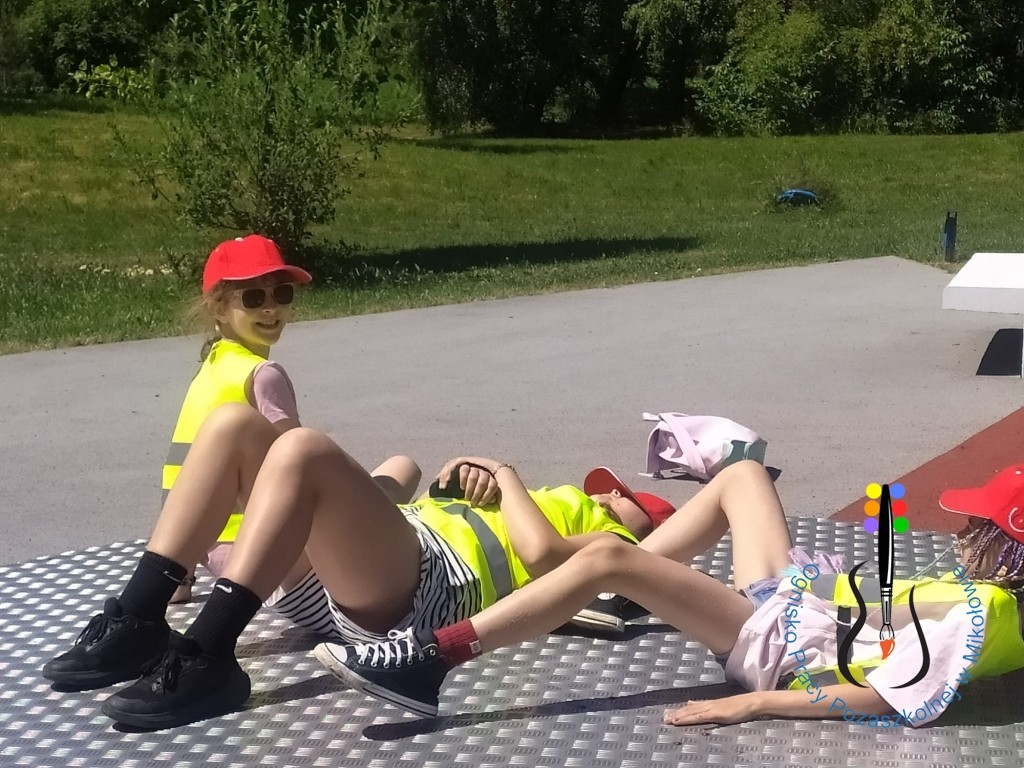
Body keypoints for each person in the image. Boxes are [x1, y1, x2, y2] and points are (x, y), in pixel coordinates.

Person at [41, 405, 672, 729]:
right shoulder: (553, 501)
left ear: (641, 521)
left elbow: (540, 555)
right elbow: (409, 496)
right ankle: (139, 619)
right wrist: (459, 479)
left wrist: (505, 476)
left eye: (620, 497)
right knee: (235, 425)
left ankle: (208, 654)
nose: (606, 494)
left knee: (304, 449)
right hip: (362, 572)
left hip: (422, 593)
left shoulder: (614, 543)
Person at [314, 462, 1024, 725]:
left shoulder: (987, 610)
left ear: (1011, 546)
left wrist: (753, 703)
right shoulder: (994, 600)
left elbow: (891, 698)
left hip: (785, 649)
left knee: (607, 558)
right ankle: (621, 588)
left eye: (980, 524)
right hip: (797, 603)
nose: (963, 528)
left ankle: (428, 664)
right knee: (743, 477)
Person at [162, 234, 421, 605]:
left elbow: (178, 483)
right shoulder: (262, 375)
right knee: (404, 468)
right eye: (253, 298)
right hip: (269, 557)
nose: (271, 308)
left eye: (281, 294)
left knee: (391, 477)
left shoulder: (211, 370)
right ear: (218, 308)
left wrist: (179, 576)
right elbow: (303, 467)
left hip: (214, 554)